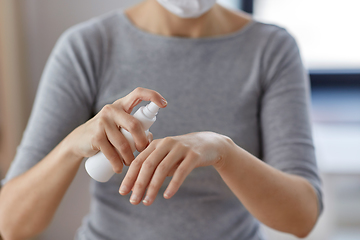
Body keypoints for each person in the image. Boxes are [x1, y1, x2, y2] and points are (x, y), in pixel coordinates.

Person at [0, 0, 323, 239]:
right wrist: (72, 146)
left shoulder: (271, 50)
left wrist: (223, 152)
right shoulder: (88, 47)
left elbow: (302, 217)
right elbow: (10, 223)